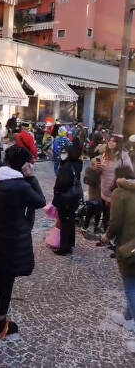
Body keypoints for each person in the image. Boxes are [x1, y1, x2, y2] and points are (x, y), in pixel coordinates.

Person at [0, 145, 46, 337]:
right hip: (14, 239)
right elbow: (40, 201)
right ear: (23, 165)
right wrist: (32, 178)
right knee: (7, 280)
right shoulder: (22, 186)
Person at [102, 174, 135, 352]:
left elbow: (115, 222)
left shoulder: (121, 193)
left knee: (131, 286)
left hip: (130, 249)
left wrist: (107, 236)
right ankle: (127, 318)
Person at [95, 134, 133, 232]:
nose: (111, 143)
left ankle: (109, 232)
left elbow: (130, 173)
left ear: (118, 143)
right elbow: (100, 170)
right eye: (109, 141)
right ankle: (104, 227)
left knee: (112, 212)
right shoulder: (105, 153)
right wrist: (98, 168)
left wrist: (119, 181)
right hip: (103, 187)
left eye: (114, 141)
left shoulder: (123, 156)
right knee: (103, 209)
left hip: (114, 189)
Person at [52, 140, 83, 255]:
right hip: (73, 198)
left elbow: (63, 184)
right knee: (70, 221)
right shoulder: (77, 163)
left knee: (65, 222)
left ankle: (64, 248)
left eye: (65, 152)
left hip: (65, 199)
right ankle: (69, 244)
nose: (62, 153)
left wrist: (57, 191)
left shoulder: (67, 166)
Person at [82, 158, 102, 234]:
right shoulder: (90, 171)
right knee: (90, 211)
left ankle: (95, 226)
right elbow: (88, 181)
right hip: (93, 195)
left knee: (98, 212)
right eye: (96, 165)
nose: (98, 166)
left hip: (100, 195)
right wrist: (96, 171)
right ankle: (86, 226)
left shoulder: (101, 171)